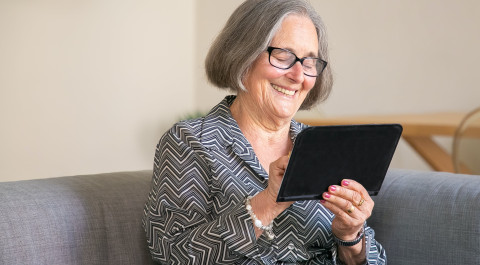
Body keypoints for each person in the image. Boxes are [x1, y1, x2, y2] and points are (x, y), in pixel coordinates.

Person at [143, 0, 386, 264]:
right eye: (283, 57)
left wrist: (350, 237)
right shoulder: (191, 142)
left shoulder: (320, 146)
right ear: (243, 56)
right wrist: (268, 202)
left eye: (309, 62)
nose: (298, 75)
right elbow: (172, 254)